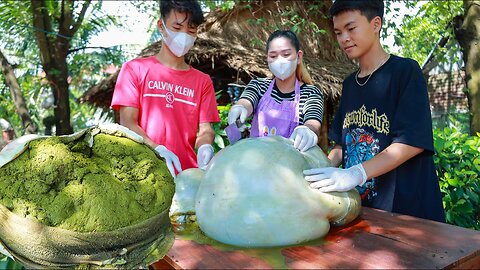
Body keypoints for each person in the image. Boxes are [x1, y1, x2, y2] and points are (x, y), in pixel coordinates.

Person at [304, 0, 445, 222]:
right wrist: (316, 172)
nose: (344, 39)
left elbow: (411, 142)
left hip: (406, 213)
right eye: (339, 32)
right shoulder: (349, 84)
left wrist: (356, 173)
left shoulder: (405, 71)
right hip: (364, 210)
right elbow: (342, 146)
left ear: (375, 24)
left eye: (351, 28)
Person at [111, 0, 220, 177]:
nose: (184, 35)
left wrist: (205, 145)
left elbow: (205, 128)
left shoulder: (203, 81)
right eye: (177, 28)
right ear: (161, 25)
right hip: (144, 173)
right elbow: (128, 122)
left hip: (187, 176)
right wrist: (157, 149)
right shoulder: (134, 69)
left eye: (191, 30)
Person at [227, 30, 324, 152]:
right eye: (273, 56)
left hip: (291, 165)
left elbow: (313, 122)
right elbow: (246, 101)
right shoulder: (258, 86)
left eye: (286, 54)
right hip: (255, 161)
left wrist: (307, 130)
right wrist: (240, 108)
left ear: (298, 57)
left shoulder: (311, 93)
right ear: (267, 58)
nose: (280, 61)